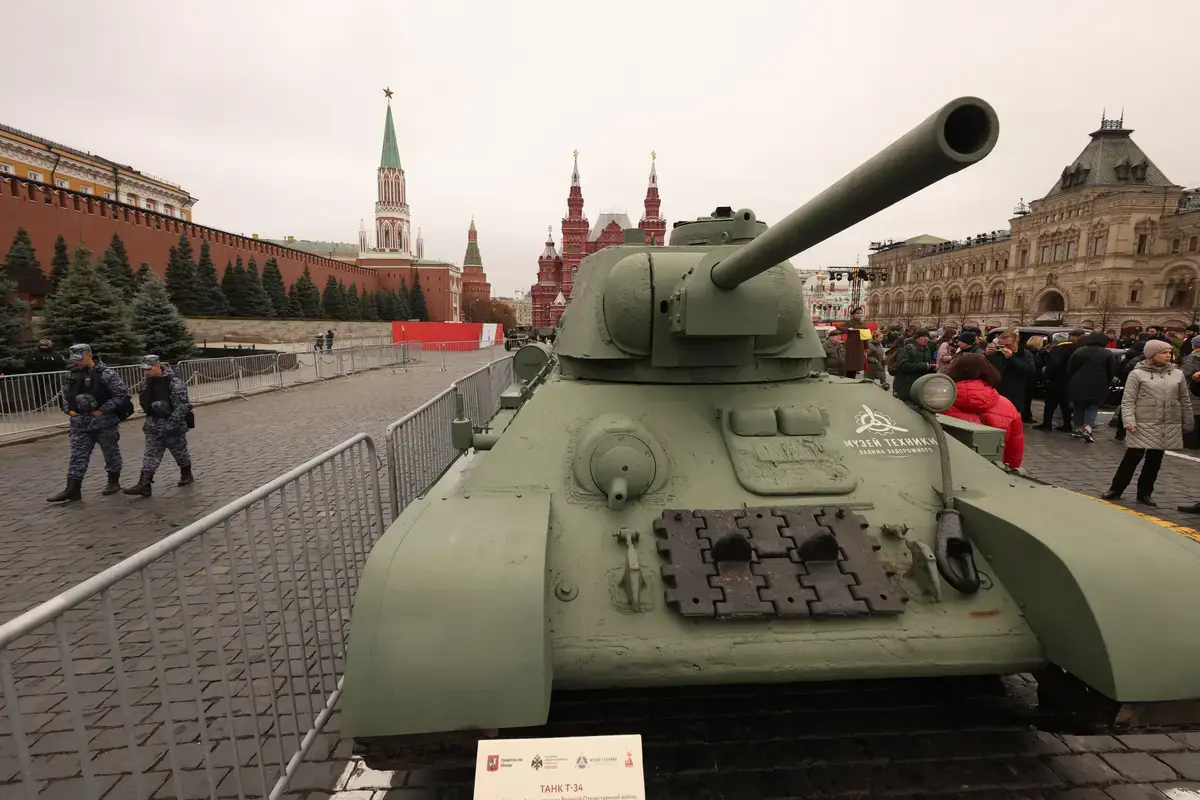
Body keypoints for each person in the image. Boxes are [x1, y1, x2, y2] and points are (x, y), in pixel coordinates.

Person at [1102, 340, 1192, 506]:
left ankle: (1145, 493)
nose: (1168, 356)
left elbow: (1184, 399)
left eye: (1170, 352)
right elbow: (1128, 400)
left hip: (1166, 423)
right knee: (1132, 457)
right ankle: (1116, 489)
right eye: (1164, 352)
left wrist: (1187, 422)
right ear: (1152, 354)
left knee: (1155, 459)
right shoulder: (1137, 374)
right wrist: (1129, 421)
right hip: (1142, 422)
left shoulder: (1177, 374)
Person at [46, 343, 130, 502]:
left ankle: (113, 482)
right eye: (75, 359)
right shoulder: (72, 374)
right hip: (79, 423)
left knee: (110, 453)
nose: (77, 362)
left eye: (80, 358)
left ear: (89, 355)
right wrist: (68, 410)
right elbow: (64, 394)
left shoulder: (106, 374)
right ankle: (72, 489)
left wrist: (102, 410)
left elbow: (121, 395)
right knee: (78, 455)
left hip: (104, 423)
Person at [123, 355, 195, 496]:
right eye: (144, 369)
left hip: (173, 426)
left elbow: (181, 407)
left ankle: (186, 474)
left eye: (149, 369)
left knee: (180, 453)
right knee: (151, 454)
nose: (146, 372)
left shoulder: (175, 383)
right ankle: (144, 484)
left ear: (157, 365)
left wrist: (169, 426)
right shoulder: (147, 383)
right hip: (153, 425)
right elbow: (145, 402)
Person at [942, 354, 1024, 469]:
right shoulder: (1007, 406)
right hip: (993, 470)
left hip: (949, 470)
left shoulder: (940, 403)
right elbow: (1014, 449)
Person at [1065, 332, 1116, 442]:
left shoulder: (1079, 351)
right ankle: (1087, 428)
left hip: (1078, 383)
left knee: (1079, 406)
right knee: (1092, 406)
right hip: (1098, 383)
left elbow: (1071, 367)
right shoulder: (1107, 354)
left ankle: (1077, 428)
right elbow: (1111, 371)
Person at [985, 327, 1034, 414]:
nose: (1005, 348)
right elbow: (985, 370)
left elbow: (1029, 371)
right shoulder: (996, 354)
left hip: (1015, 395)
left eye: (1008, 345)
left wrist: (1012, 358)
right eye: (1001, 345)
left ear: (1016, 342)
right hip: (997, 394)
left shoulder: (1025, 354)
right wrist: (986, 355)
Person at [1039, 330, 1081, 431]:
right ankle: (1067, 425)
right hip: (1069, 381)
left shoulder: (1058, 350)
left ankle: (1047, 424)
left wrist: (1046, 378)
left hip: (1055, 381)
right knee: (1065, 405)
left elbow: (1052, 366)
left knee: (1050, 404)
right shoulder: (1076, 349)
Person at [893, 328, 937, 403]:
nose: (926, 339)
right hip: (906, 386)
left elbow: (928, 363)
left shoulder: (926, 349)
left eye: (927, 337)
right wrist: (925, 365)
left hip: (920, 385)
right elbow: (903, 365)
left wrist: (932, 367)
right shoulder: (908, 349)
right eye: (923, 336)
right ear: (916, 338)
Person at [1021, 335, 1047, 424]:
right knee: (1027, 398)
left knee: (1028, 398)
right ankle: (1026, 415)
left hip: (1032, 378)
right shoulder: (1031, 353)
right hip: (1030, 378)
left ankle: (1027, 414)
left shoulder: (1034, 353)